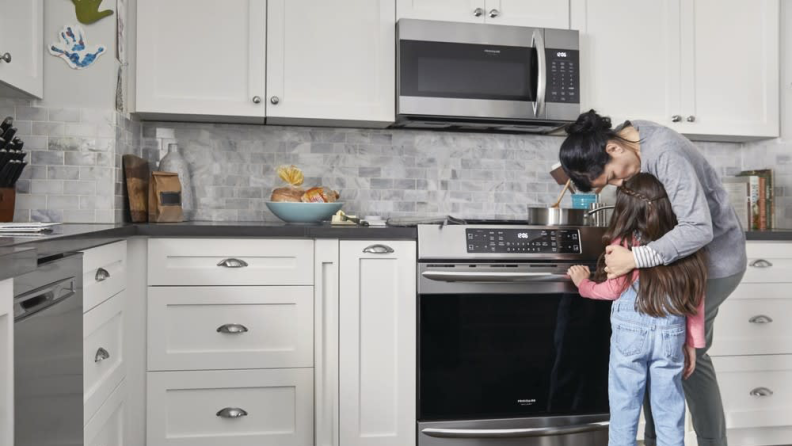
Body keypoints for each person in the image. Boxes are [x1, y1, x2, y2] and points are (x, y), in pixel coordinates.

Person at [559, 110, 747, 446]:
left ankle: (712, 441)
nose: (621, 186)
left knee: (690, 356)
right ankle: (655, 440)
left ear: (614, 151)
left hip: (712, 263)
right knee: (658, 355)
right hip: (676, 263)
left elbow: (698, 229)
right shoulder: (630, 138)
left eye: (614, 178)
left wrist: (634, 258)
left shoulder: (664, 155)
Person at [567, 173, 708, 446]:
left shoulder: (624, 246)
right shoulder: (684, 245)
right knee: (670, 410)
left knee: (625, 406)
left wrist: (582, 284)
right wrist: (693, 343)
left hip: (630, 337)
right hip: (671, 336)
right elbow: (697, 299)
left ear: (625, 209)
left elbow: (611, 291)